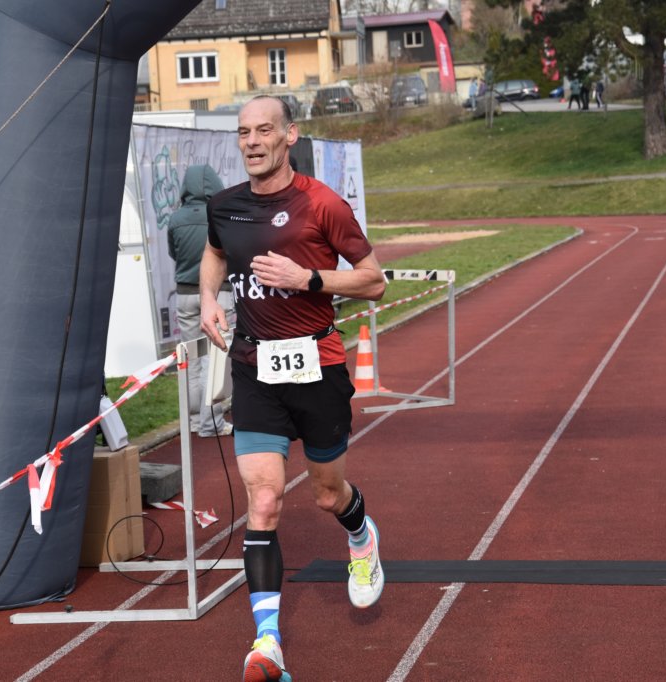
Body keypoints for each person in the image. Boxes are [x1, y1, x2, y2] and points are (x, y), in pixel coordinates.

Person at [200, 95, 387, 681]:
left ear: (289, 135)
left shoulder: (322, 203)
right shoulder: (224, 206)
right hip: (255, 369)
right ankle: (268, 643)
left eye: (264, 131)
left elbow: (374, 281)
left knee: (327, 494)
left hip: (317, 367)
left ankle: (361, 535)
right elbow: (214, 252)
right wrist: (208, 298)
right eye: (243, 133)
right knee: (263, 501)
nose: (252, 142)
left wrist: (308, 277)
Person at [167, 164, 235, 437]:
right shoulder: (221, 214)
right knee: (214, 358)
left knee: (191, 359)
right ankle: (211, 422)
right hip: (218, 293)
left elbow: (173, 253)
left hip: (185, 295)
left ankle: (194, 421)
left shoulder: (176, 219)